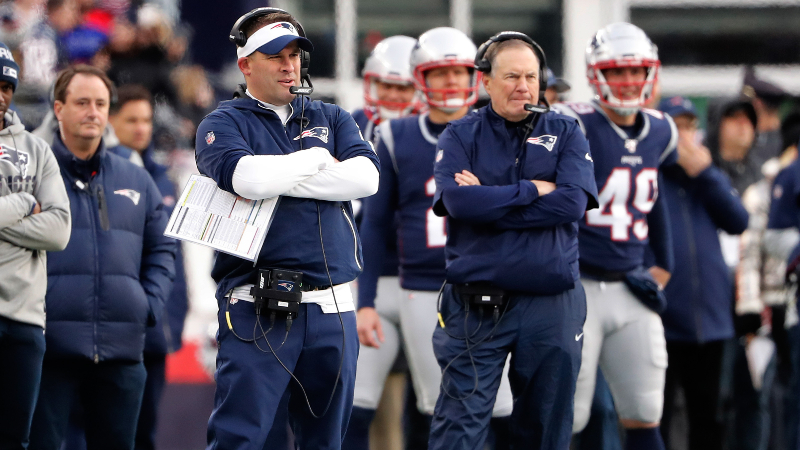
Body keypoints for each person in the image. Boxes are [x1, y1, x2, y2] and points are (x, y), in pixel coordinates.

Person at [193, 8, 379, 450]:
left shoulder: (331, 116)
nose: (288, 65)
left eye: (294, 55)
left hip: (332, 305)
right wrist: (317, 160)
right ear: (246, 64)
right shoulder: (222, 122)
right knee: (242, 440)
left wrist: (279, 176)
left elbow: (366, 179)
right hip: (255, 306)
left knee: (326, 441)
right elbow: (247, 179)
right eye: (275, 55)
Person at [346, 27, 514, 450]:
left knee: (498, 411)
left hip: (484, 285)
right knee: (425, 407)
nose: (452, 82)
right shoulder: (385, 134)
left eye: (459, 72)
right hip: (417, 284)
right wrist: (364, 300)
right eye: (440, 73)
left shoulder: (500, 132)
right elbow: (374, 223)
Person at [429, 31, 598, 449]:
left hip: (551, 304)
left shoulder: (566, 130)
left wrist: (489, 202)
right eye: (511, 77)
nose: (523, 86)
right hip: (476, 304)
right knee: (459, 428)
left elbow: (572, 203)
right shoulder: (459, 134)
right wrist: (531, 190)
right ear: (486, 81)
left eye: (531, 77)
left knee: (545, 429)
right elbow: (458, 202)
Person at [27, 64, 176, 450]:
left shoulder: (136, 178)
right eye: (82, 103)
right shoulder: (30, 175)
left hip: (121, 348)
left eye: (100, 103)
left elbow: (163, 247)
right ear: (58, 109)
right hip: (48, 349)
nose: (92, 112)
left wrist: (146, 304)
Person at [554, 23, 678, 450]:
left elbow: (655, 197)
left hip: (631, 285)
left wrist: (665, 263)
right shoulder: (574, 122)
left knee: (645, 411)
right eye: (617, 71)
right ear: (596, 74)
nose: (627, 80)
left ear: (650, 72)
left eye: (635, 70)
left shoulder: (661, 129)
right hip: (578, 286)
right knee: (569, 416)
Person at [656, 95, 749, 450]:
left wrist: (706, 174)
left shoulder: (708, 176)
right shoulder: (651, 177)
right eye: (676, 127)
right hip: (663, 318)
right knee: (657, 415)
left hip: (709, 321)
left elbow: (738, 220)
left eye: (690, 126)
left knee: (709, 417)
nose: (685, 136)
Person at [108, 84, 189, 450]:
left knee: (146, 431)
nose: (141, 128)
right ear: (112, 121)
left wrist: (173, 314)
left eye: (146, 120)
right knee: (105, 430)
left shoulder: (163, 178)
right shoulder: (102, 172)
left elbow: (174, 255)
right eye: (132, 120)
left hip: (155, 325)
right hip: (112, 325)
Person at [0, 40, 71, 450]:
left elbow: (59, 231)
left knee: (15, 439)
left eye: (6, 87)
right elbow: (42, 216)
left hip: (26, 320)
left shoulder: (36, 149)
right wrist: (24, 203)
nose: (1, 95)